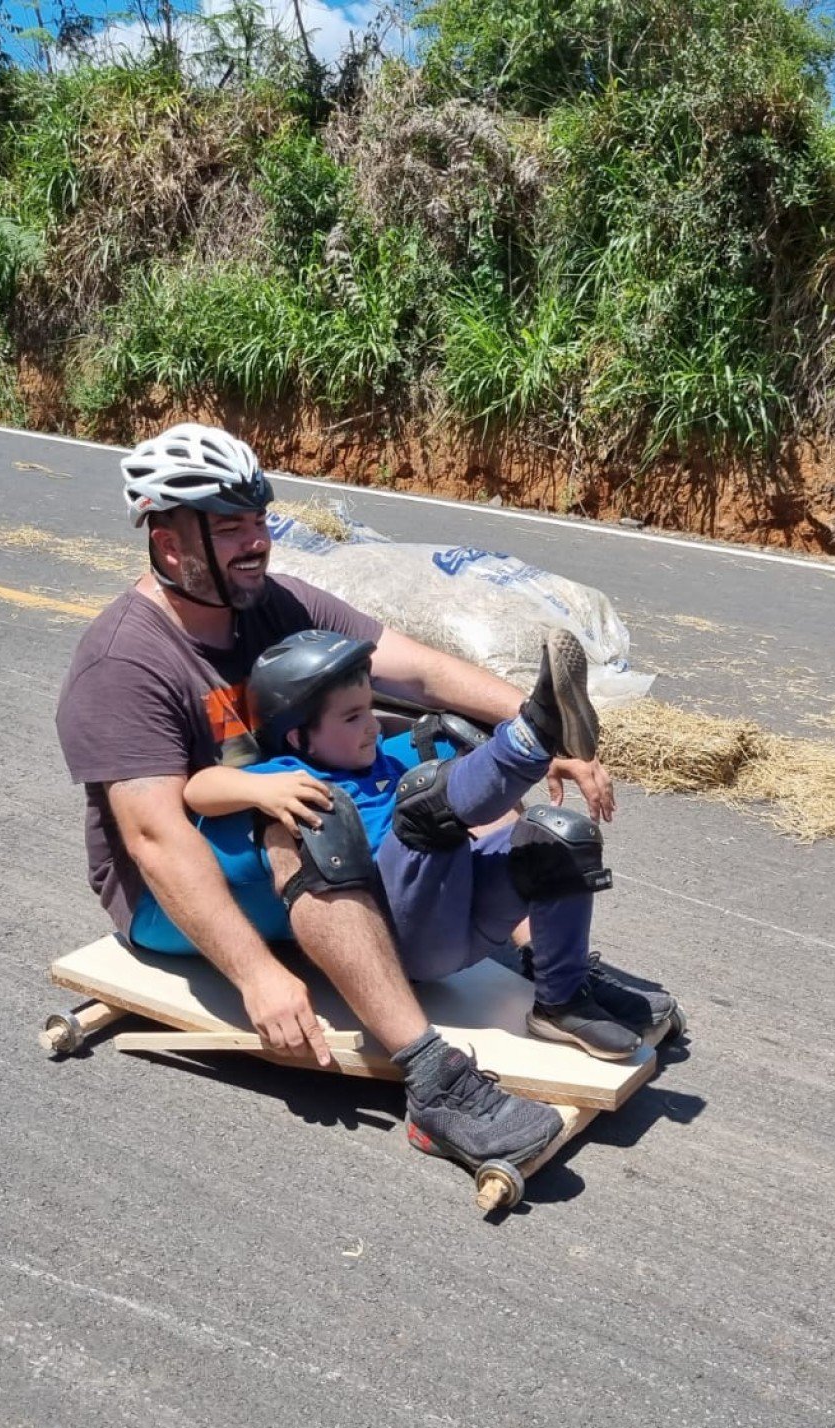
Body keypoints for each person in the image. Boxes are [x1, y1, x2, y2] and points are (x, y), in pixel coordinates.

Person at [56, 423, 626, 1174]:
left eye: (258, 520)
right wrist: (256, 975)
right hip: (167, 894)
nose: (256, 541)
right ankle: (432, 1080)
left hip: (272, 824)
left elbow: (415, 670)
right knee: (306, 819)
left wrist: (534, 726)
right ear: (169, 545)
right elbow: (155, 837)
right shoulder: (124, 662)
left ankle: (551, 974)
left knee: (440, 746)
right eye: (230, 528)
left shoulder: (274, 602)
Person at [183, 628, 676, 1062]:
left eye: (370, 711)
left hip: (459, 918)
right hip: (398, 940)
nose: (373, 726)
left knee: (554, 839)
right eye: (352, 717)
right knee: (426, 801)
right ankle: (530, 737)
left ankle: (562, 1001)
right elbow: (198, 791)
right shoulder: (291, 774)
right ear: (298, 738)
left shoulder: (384, 765)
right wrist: (256, 789)